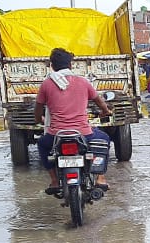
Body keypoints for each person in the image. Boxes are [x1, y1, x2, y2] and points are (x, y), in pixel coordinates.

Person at [34, 48, 113, 194]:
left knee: (42, 144)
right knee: (104, 139)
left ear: (52, 65)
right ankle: (101, 178)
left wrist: (40, 120)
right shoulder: (83, 82)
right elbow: (100, 102)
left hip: (56, 135)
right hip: (83, 133)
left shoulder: (47, 84)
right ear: (71, 65)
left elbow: (38, 109)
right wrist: (106, 111)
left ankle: (54, 181)